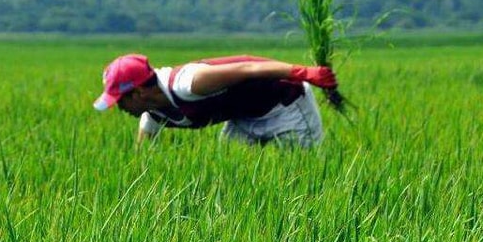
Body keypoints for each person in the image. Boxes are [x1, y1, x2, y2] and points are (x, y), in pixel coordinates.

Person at [93, 54, 338, 147]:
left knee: (301, 174)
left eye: (120, 101)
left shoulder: (189, 83)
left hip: (286, 107)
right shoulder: (153, 112)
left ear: (138, 93)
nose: (121, 109)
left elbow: (249, 67)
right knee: (231, 173)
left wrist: (305, 72)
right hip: (244, 118)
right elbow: (142, 153)